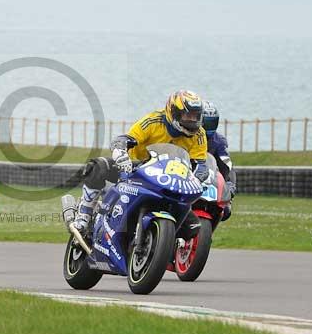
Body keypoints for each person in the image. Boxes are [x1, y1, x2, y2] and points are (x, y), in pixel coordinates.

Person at [70, 90, 210, 241]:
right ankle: (84, 213)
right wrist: (121, 153)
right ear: (173, 112)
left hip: (171, 180)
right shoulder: (152, 121)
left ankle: (162, 249)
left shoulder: (199, 134)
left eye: (196, 116)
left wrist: (197, 179)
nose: (192, 120)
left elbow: (201, 165)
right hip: (135, 171)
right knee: (98, 166)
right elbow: (124, 139)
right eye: (188, 115)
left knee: (192, 228)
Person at [202, 101, 236, 220]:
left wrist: (230, 185)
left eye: (212, 122)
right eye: (206, 122)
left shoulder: (219, 141)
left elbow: (226, 164)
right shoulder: (188, 136)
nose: (209, 126)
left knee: (225, 211)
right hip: (190, 177)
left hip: (210, 179)